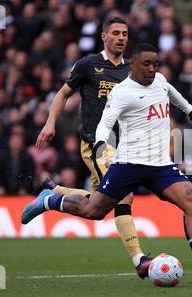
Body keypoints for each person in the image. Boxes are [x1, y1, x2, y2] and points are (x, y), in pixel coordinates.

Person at [22, 43, 192, 283]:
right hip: (129, 164)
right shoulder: (122, 92)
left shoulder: (160, 80)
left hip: (160, 165)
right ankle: (49, 201)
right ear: (133, 64)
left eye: (155, 64)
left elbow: (173, 93)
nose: (153, 69)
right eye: (147, 64)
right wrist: (101, 144)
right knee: (94, 210)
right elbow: (105, 122)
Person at [24, 16, 152, 279]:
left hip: (125, 144)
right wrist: (50, 123)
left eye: (125, 34)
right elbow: (62, 94)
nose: (121, 38)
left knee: (97, 208)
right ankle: (139, 260)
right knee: (125, 194)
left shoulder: (133, 69)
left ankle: (52, 197)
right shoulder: (87, 65)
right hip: (98, 143)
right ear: (104, 37)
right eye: (115, 33)